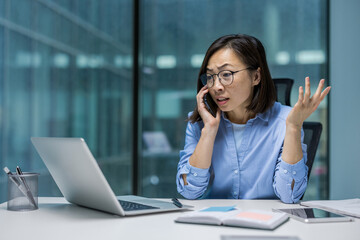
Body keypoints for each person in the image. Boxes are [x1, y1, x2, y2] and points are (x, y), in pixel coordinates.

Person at [176, 34, 331, 203]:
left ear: (256, 77)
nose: (217, 86)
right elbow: (189, 191)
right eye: (211, 77)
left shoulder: (287, 121)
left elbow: (290, 196)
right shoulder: (199, 123)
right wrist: (209, 131)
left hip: (267, 223)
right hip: (214, 222)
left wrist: (293, 127)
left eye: (226, 74)